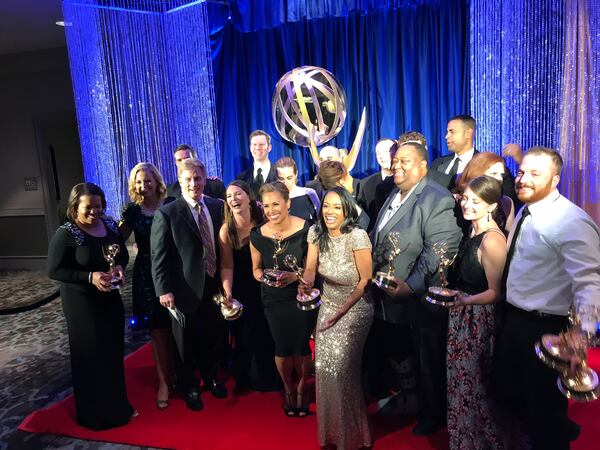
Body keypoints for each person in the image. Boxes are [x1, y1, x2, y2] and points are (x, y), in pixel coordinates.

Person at [493, 147, 600, 450]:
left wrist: (582, 333)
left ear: (555, 180)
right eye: (523, 171)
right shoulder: (526, 209)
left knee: (545, 419)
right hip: (514, 321)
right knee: (514, 401)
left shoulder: (570, 220)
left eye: (535, 174)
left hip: (546, 329)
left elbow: (590, 281)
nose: (524, 178)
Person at [370, 141, 462, 436]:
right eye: (395, 160)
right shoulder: (395, 193)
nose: (397, 165)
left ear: (423, 165)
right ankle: (412, 400)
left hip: (419, 301)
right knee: (402, 353)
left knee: (427, 360)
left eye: (405, 161)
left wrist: (411, 285)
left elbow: (440, 248)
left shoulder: (436, 197)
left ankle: (434, 415)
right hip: (390, 298)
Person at [47, 183, 134, 430]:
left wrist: (118, 268)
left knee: (113, 352)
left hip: (109, 298)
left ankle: (118, 407)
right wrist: (89, 277)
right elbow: (54, 270)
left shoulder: (108, 225)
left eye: (99, 206)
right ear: (74, 207)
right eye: (89, 207)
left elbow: (122, 255)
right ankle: (93, 415)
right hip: (81, 303)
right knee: (91, 356)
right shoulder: (67, 233)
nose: (95, 211)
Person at [151, 158, 227, 411]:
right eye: (188, 179)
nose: (194, 183)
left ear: (205, 179)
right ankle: (189, 386)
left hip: (214, 284)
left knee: (214, 335)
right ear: (180, 181)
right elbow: (158, 257)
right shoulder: (167, 213)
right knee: (185, 341)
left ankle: (213, 377)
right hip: (183, 289)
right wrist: (163, 290)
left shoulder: (218, 207)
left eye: (198, 178)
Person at [301, 186, 373, 450]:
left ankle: (354, 438)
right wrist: (305, 285)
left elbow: (365, 281)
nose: (329, 212)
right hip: (327, 305)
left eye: (336, 207)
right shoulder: (315, 232)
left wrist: (342, 311)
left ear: (347, 210)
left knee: (343, 371)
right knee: (323, 369)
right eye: (326, 206)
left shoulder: (357, 236)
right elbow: (310, 269)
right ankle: (331, 435)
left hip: (356, 309)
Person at [446, 175, 507, 450]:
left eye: (475, 201)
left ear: (492, 205)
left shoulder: (492, 241)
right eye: (465, 198)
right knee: (460, 388)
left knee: (475, 390)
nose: (467, 205)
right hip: (462, 317)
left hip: (478, 324)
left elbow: (497, 292)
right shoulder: (470, 230)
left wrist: (465, 301)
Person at [249, 182, 318, 417]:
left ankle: (302, 389)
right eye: (266, 206)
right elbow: (256, 270)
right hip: (273, 298)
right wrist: (266, 277)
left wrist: (295, 277)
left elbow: (311, 270)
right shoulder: (257, 234)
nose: (271, 210)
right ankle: (288, 388)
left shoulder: (308, 229)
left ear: (288, 203)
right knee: (282, 346)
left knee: (300, 346)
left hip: (300, 296)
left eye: (276, 204)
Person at [119, 162, 174, 410]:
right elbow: (115, 241)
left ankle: (182, 375)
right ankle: (164, 381)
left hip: (174, 271)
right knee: (158, 331)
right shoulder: (131, 212)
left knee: (178, 328)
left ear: (157, 181)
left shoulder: (172, 203)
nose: (143, 186)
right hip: (146, 275)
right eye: (139, 182)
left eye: (147, 180)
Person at [218, 180, 280, 392]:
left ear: (249, 198)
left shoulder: (264, 221)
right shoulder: (227, 230)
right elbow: (226, 266)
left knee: (268, 331)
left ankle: (273, 375)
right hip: (243, 289)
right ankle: (248, 377)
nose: (233, 199)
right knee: (245, 334)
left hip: (266, 285)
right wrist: (228, 292)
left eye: (238, 194)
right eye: (229, 196)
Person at [431, 115, 516, 201]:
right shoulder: (437, 163)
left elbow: (507, 197)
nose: (446, 136)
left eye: (452, 132)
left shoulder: (489, 164)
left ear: (468, 133)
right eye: (447, 132)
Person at [455, 152, 515, 231]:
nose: (500, 179)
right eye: (494, 173)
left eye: (501, 175)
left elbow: (509, 237)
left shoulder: (506, 202)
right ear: (477, 174)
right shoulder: (455, 201)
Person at [317, 160, 368, 230]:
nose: (352, 179)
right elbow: (365, 224)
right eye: (348, 175)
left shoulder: (324, 203)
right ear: (342, 182)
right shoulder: (349, 203)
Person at [357, 138, 395, 225]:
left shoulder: (406, 181)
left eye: (387, 151)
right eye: (378, 153)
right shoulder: (366, 184)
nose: (382, 156)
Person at [275, 157, 320, 222]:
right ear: (277, 178)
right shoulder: (274, 198)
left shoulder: (308, 193)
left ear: (296, 174)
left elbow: (319, 220)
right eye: (281, 179)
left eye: (289, 178)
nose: (285, 183)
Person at [236, 130, 278, 199]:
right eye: (254, 145)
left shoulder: (279, 174)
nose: (258, 148)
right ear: (250, 148)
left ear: (269, 147)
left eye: (261, 144)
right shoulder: (241, 178)